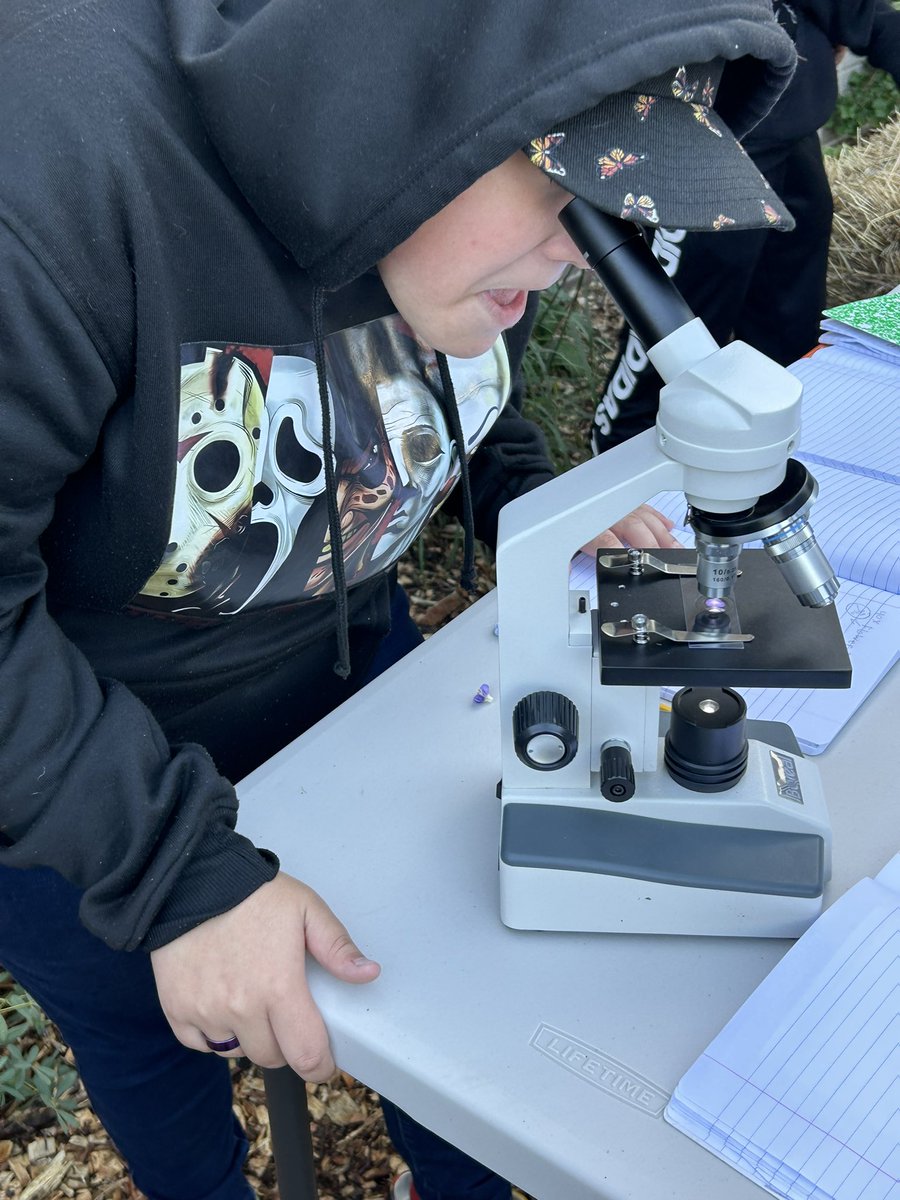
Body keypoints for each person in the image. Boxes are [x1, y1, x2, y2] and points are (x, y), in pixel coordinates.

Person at [0, 2, 800, 1198]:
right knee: (153, 1042)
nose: (587, 252)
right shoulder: (58, 171)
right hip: (79, 779)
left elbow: (428, 399)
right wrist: (173, 879)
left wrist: (533, 498)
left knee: (436, 1028)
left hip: (350, 703)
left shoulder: (444, 218)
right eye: (575, 198)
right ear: (417, 105)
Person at [591, 0, 900, 454]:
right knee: (676, 339)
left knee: (790, 320)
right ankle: (614, 466)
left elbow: (859, 12)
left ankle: (765, 450)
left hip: (790, 132)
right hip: (699, 142)